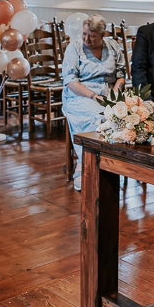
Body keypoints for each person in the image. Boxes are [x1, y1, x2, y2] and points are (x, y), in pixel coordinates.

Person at [61, 14, 125, 191]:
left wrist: (113, 95)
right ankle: (85, 166)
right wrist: (93, 97)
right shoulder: (74, 48)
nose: (86, 39)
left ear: (103, 35)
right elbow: (70, 81)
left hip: (108, 92)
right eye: (84, 34)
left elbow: (120, 76)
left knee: (123, 115)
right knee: (97, 117)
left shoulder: (112, 46)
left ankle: (111, 166)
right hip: (80, 94)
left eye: (92, 36)